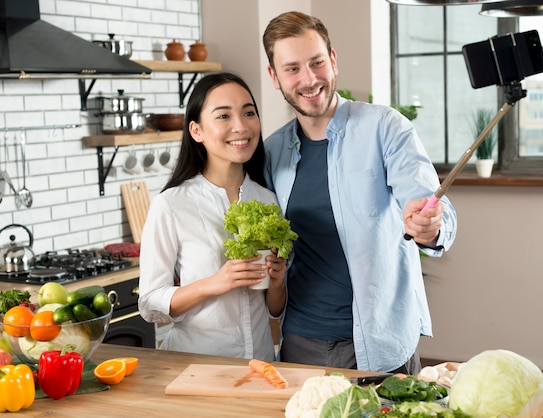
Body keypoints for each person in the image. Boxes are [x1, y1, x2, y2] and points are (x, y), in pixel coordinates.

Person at [261, 11, 457, 374]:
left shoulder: (385, 127)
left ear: (332, 60)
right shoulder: (273, 151)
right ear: (274, 77)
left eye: (317, 62)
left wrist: (429, 224)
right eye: (292, 69)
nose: (309, 78)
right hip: (300, 342)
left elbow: (431, 204)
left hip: (382, 344)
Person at [138, 72, 287, 361]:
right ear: (196, 131)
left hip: (260, 365)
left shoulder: (268, 200)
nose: (240, 126)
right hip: (194, 365)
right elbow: (150, 303)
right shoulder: (171, 205)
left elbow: (275, 309)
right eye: (223, 116)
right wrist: (215, 282)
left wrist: (278, 284)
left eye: (248, 112)